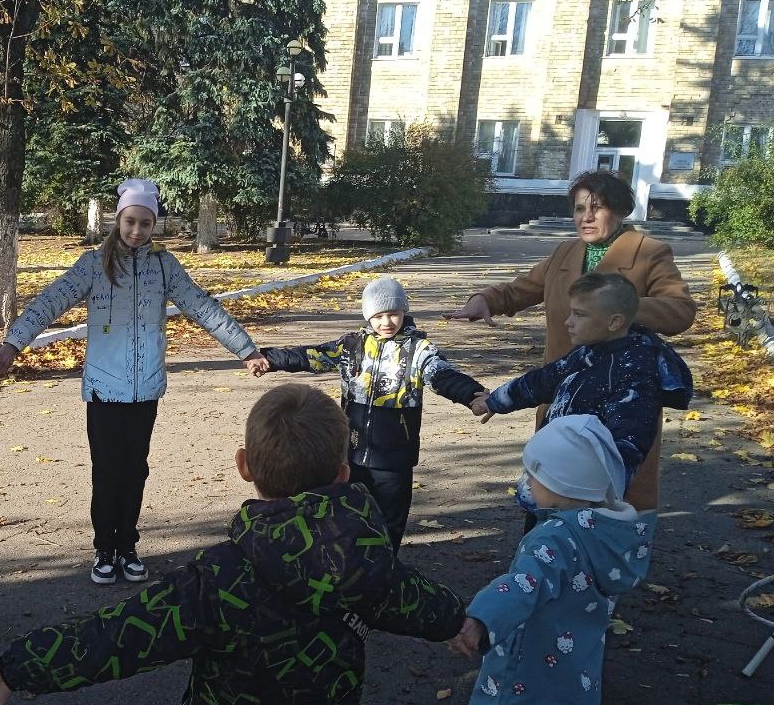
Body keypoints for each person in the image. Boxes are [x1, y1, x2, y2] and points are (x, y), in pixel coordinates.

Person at [0, 383, 467, 705]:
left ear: (244, 465)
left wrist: (15, 669)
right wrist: (473, 624)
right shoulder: (371, 567)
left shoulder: (217, 577)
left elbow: (115, 637)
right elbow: (434, 610)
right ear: (343, 473)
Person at [0, 178, 267, 585]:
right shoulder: (93, 265)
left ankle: (127, 546)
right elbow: (49, 301)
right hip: (104, 389)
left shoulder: (163, 265)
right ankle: (104, 549)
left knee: (135, 469)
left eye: (145, 223)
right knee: (107, 470)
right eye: (130, 221)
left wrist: (246, 349)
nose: (137, 231)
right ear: (118, 219)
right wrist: (14, 343)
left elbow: (201, 307)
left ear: (153, 224)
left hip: (145, 389)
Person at [448, 414, 656, 705]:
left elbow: (520, 586)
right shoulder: (608, 534)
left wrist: (479, 620)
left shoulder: (554, 538)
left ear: (564, 485)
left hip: (537, 681)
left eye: (534, 475)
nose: (526, 483)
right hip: (579, 680)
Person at [444, 169, 696, 510]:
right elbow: (522, 289)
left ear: (621, 211)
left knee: (611, 502)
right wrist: (486, 299)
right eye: (579, 209)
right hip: (562, 396)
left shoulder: (649, 252)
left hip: (621, 402)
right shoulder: (565, 253)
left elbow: (680, 310)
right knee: (553, 494)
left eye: (598, 207)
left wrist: (619, 308)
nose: (586, 217)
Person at [256, 276, 488, 551]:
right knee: (344, 516)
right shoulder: (351, 346)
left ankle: (385, 570)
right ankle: (345, 566)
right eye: (378, 315)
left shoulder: (419, 351)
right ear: (368, 316)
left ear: (404, 312)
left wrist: (472, 395)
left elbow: (443, 375)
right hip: (349, 454)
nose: (386, 322)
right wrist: (269, 359)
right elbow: (310, 356)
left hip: (394, 458)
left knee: (388, 522)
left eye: (393, 314)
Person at [470, 272, 693, 505]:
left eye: (580, 314)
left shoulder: (634, 375)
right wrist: (494, 400)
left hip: (582, 503)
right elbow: (541, 381)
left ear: (614, 322)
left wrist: (595, 501)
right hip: (553, 486)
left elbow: (628, 445)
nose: (568, 322)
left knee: (558, 540)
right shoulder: (589, 352)